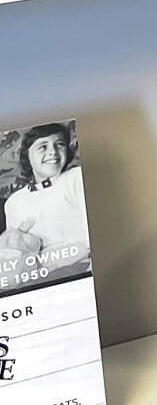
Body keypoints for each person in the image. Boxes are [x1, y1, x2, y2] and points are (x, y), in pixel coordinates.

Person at [0, 122, 91, 293]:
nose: (53, 152)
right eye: (43, 146)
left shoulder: (76, 178)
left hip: (80, 268)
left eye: (60, 145)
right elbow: (15, 255)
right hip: (39, 279)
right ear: (28, 156)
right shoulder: (13, 202)